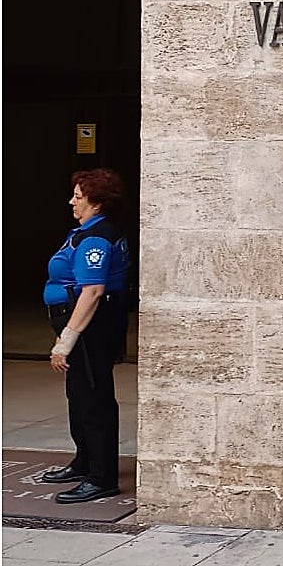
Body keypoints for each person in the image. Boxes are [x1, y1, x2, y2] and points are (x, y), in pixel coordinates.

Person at [39, 168, 130, 504]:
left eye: (78, 197)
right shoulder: (86, 231)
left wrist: (66, 340)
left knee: (93, 401)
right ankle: (85, 461)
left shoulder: (96, 238)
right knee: (78, 397)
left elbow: (92, 292)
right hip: (83, 322)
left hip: (91, 326)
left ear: (98, 202)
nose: (72, 202)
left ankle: (101, 477)